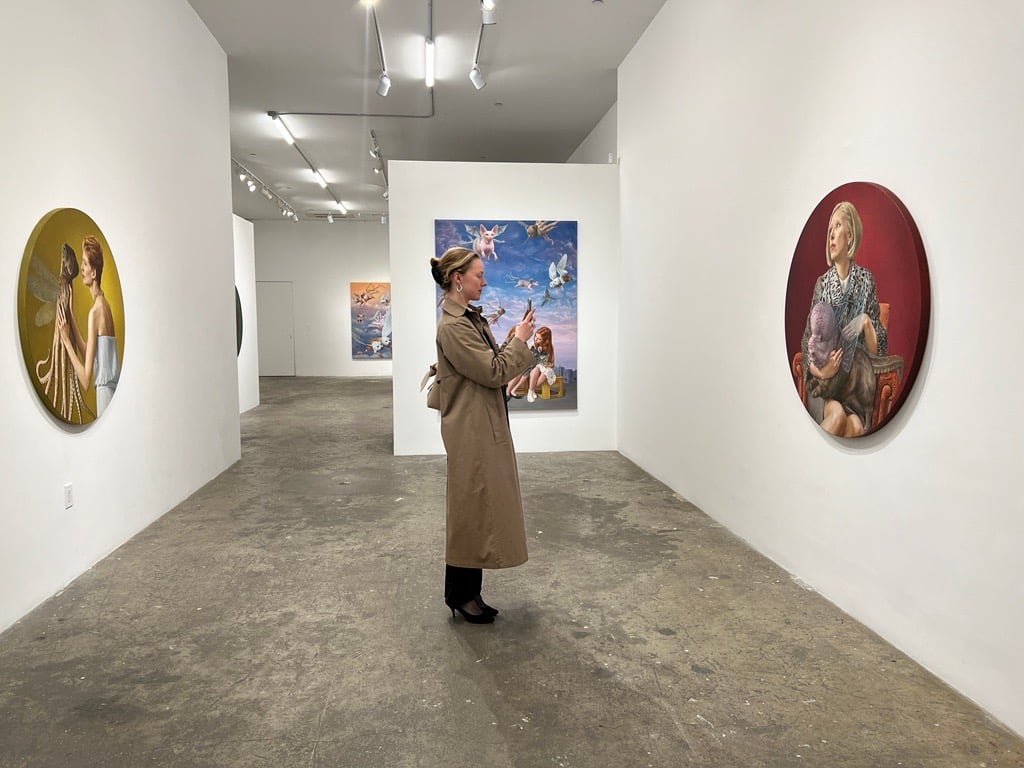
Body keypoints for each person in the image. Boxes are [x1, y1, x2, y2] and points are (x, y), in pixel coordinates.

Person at [430, 246, 537, 624]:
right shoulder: (455, 324)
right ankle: (461, 595)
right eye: (478, 275)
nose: (484, 280)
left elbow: (485, 364)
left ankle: (466, 593)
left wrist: (511, 341)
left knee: (475, 508)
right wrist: (520, 340)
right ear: (458, 278)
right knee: (470, 508)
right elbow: (494, 372)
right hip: (472, 429)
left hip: (479, 423)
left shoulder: (464, 319)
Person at [800, 201, 887, 437]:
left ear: (850, 236)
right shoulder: (822, 284)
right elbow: (807, 342)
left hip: (853, 389)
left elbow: (877, 351)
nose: (831, 235)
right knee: (837, 415)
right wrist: (823, 372)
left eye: (837, 226)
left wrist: (866, 322)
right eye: (829, 230)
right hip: (823, 386)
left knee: (857, 427)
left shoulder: (866, 281)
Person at [57, 235, 119, 417]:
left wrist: (67, 342)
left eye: (85, 264)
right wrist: (70, 313)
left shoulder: (95, 312)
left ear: (94, 273)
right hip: (111, 394)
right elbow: (90, 356)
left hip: (105, 398)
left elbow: (85, 380)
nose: (81, 269)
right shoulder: (104, 305)